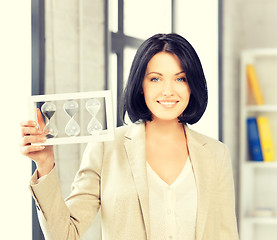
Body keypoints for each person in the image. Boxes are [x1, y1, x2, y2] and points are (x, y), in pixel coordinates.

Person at [21, 33, 239, 240]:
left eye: (180, 79)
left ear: (192, 85)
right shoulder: (105, 147)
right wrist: (45, 164)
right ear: (141, 85)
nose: (168, 91)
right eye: (155, 79)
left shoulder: (216, 154)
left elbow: (226, 234)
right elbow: (64, 234)